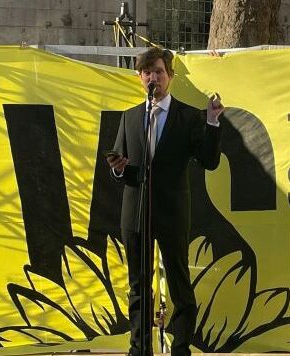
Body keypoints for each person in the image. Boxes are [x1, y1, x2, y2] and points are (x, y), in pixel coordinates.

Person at [106, 47, 224, 356]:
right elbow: (123, 166)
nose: (153, 78)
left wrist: (212, 123)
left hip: (172, 212)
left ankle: (181, 348)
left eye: (159, 72)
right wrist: (119, 169)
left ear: (169, 76)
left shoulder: (187, 116)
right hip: (136, 213)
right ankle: (139, 348)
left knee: (179, 285)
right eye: (148, 73)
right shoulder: (131, 117)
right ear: (140, 77)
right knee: (138, 286)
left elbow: (209, 161)